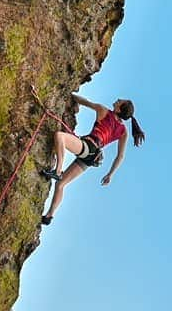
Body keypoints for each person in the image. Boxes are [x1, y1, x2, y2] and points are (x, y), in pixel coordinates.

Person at [39, 93, 145, 225]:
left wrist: (70, 94)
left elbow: (84, 101)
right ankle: (49, 216)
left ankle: (58, 170)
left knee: (60, 136)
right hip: (92, 157)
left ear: (119, 108)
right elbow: (120, 156)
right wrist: (110, 174)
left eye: (120, 101)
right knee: (60, 185)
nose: (117, 99)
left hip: (88, 146)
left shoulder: (104, 110)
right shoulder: (123, 131)